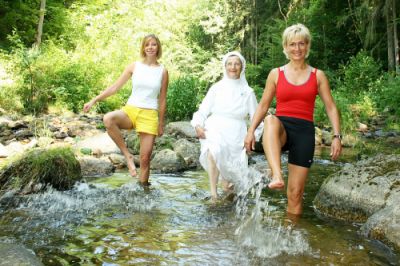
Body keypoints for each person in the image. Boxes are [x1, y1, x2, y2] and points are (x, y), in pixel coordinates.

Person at [244, 24, 342, 216]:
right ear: (286, 47)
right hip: (280, 129)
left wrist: (337, 136)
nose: (297, 49)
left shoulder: (318, 75)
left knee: (295, 193)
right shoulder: (276, 74)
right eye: (292, 44)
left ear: (307, 46)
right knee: (271, 119)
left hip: (304, 132)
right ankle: (277, 175)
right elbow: (263, 106)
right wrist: (250, 131)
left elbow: (330, 106)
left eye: (301, 44)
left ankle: (291, 233)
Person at [83, 34, 169, 185]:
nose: (150, 47)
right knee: (108, 119)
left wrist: (161, 123)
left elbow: (162, 99)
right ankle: (127, 155)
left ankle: (142, 190)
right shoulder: (134, 66)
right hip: (130, 110)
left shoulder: (163, 71)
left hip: (149, 115)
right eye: (147, 44)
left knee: (145, 159)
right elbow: (115, 87)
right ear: (143, 47)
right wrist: (94, 99)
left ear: (158, 48)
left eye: (153, 44)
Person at [191, 51, 263, 202]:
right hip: (216, 127)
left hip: (237, 133)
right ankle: (213, 194)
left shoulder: (248, 92)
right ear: (225, 66)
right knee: (213, 151)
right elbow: (203, 110)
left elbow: (257, 118)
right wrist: (197, 125)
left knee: (230, 185)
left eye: (236, 64)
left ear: (242, 67)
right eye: (229, 64)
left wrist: (253, 138)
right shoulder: (216, 88)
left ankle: (228, 192)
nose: (233, 67)